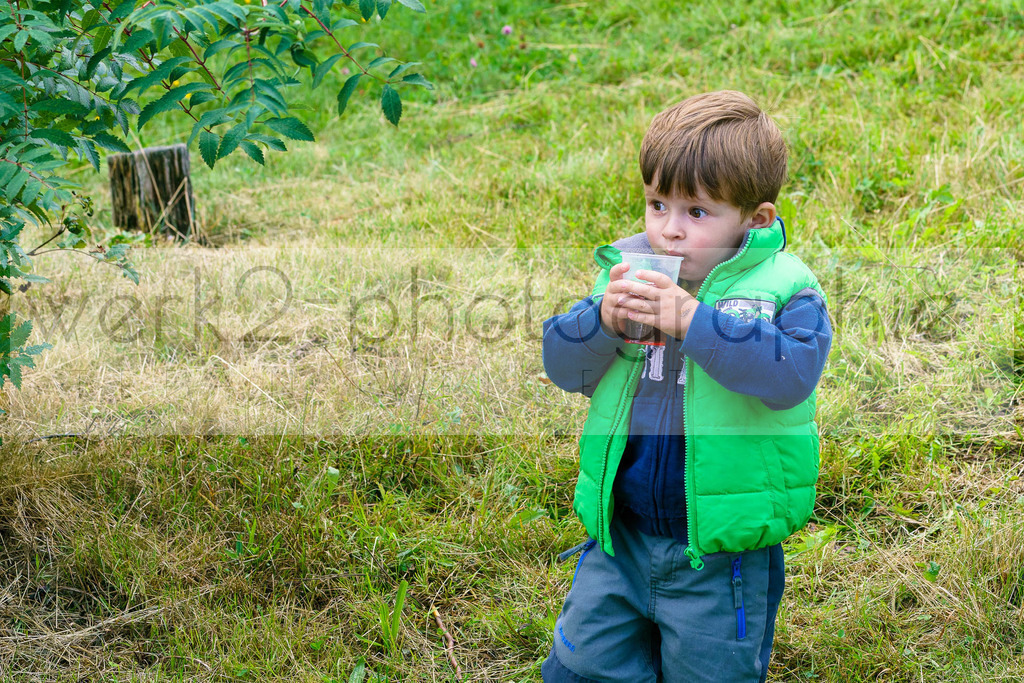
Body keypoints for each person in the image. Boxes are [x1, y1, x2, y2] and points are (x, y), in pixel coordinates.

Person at [540, 90, 832, 682]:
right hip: (620, 537)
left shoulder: (785, 290)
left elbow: (790, 378)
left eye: (696, 213)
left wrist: (695, 321)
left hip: (721, 555)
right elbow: (563, 366)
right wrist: (601, 322)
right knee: (580, 669)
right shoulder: (626, 275)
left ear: (756, 220)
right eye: (656, 204)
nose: (668, 231)